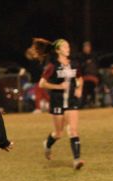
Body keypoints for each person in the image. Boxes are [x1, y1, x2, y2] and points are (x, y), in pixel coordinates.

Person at [37, 38, 85, 170]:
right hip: (57, 101)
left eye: (68, 46)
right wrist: (59, 86)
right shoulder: (52, 66)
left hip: (71, 101)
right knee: (58, 133)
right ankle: (47, 144)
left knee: (73, 130)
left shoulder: (74, 64)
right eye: (64, 47)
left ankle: (77, 160)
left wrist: (79, 89)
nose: (68, 49)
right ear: (58, 50)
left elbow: (80, 77)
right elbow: (42, 84)